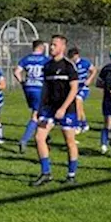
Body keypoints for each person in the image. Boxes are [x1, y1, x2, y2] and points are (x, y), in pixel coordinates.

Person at [30, 35, 81, 186]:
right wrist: (37, 110)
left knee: (69, 141)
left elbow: (74, 89)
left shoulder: (68, 66)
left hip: (67, 108)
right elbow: (45, 90)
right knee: (39, 137)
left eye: (54, 45)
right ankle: (46, 173)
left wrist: (63, 108)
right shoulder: (47, 66)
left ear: (62, 47)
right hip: (49, 109)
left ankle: (71, 175)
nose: (51, 47)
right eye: (51, 44)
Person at [14, 40, 49, 153]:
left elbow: (16, 72)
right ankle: (24, 140)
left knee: (39, 113)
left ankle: (44, 138)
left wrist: (22, 82)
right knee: (36, 115)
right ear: (41, 47)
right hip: (39, 88)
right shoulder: (45, 59)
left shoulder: (26, 58)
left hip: (28, 88)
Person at [67, 47, 96, 133]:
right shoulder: (70, 64)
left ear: (77, 55)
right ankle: (84, 124)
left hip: (83, 88)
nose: (72, 58)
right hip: (74, 88)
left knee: (77, 101)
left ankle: (77, 125)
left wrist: (89, 79)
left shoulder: (84, 62)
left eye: (73, 56)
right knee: (78, 107)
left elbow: (93, 70)